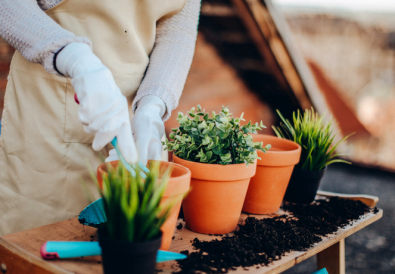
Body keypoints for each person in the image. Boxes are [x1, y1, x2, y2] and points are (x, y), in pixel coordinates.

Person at [0, 0, 201, 236]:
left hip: (130, 108)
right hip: (50, 114)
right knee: (37, 245)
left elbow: (177, 31)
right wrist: (75, 59)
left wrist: (153, 104)